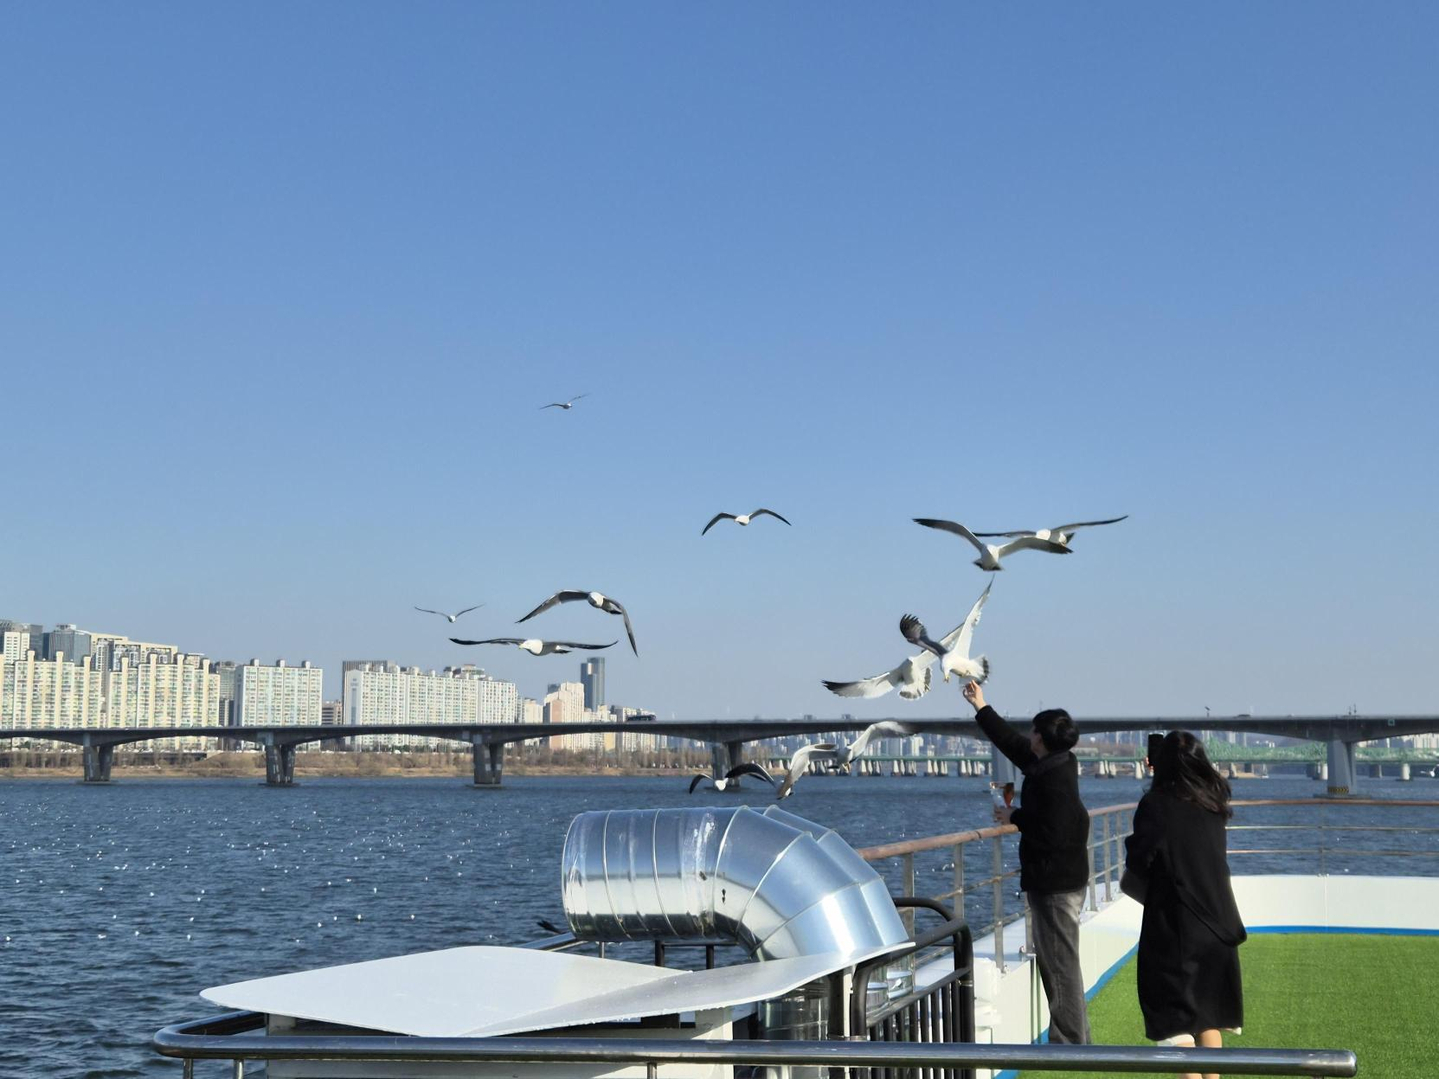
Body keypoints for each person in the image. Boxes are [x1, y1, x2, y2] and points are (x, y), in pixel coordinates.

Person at [962, 681, 1092, 1044]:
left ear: (1041, 738)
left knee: (1059, 963)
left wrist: (1013, 815)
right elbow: (1011, 743)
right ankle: (1074, 1036)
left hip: (1055, 882)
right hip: (1063, 877)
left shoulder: (1053, 779)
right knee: (1059, 961)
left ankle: (1070, 1043)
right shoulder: (1056, 763)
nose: (1028, 735)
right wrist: (981, 705)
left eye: (1033, 731)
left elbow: (1055, 828)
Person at [1123, 731, 1246, 1079]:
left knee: (1177, 1029)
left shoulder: (1157, 803)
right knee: (1209, 1020)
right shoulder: (1213, 799)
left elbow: (1141, 859)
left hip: (1176, 928)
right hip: (1219, 926)